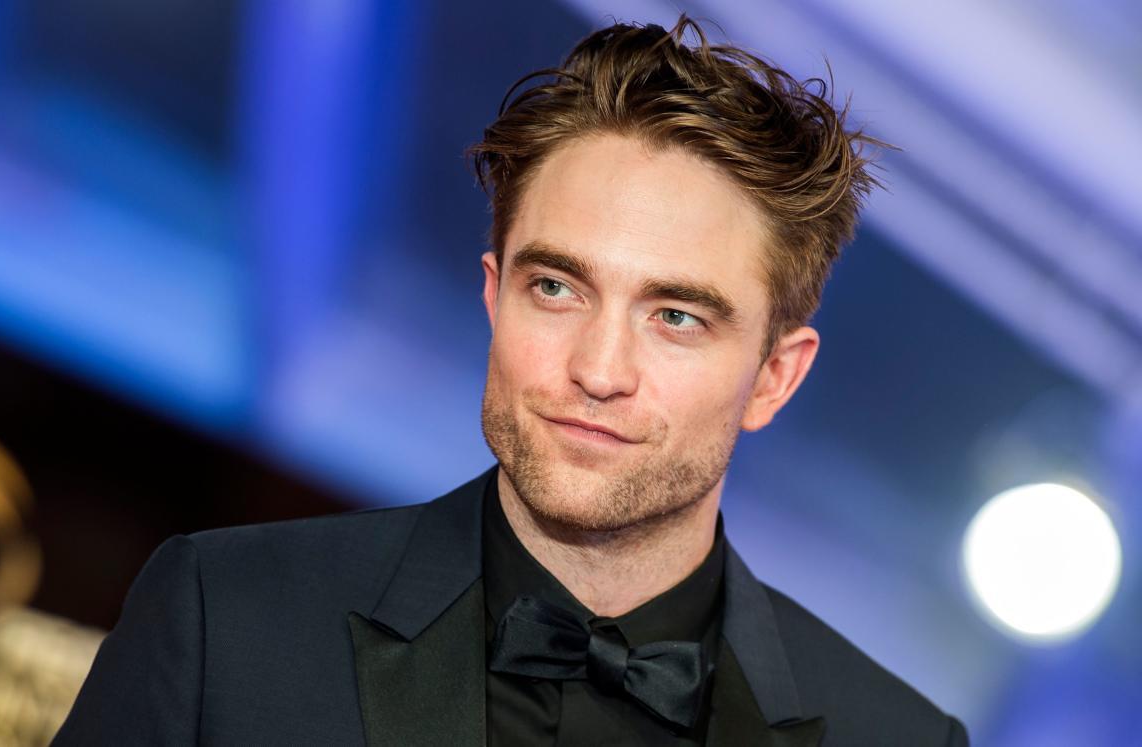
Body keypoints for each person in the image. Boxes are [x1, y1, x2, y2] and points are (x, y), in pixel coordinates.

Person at [55, 16, 968, 746]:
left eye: (676, 316)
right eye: (558, 288)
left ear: (775, 376)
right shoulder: (226, 617)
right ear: (495, 296)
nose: (598, 370)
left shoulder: (896, 739)